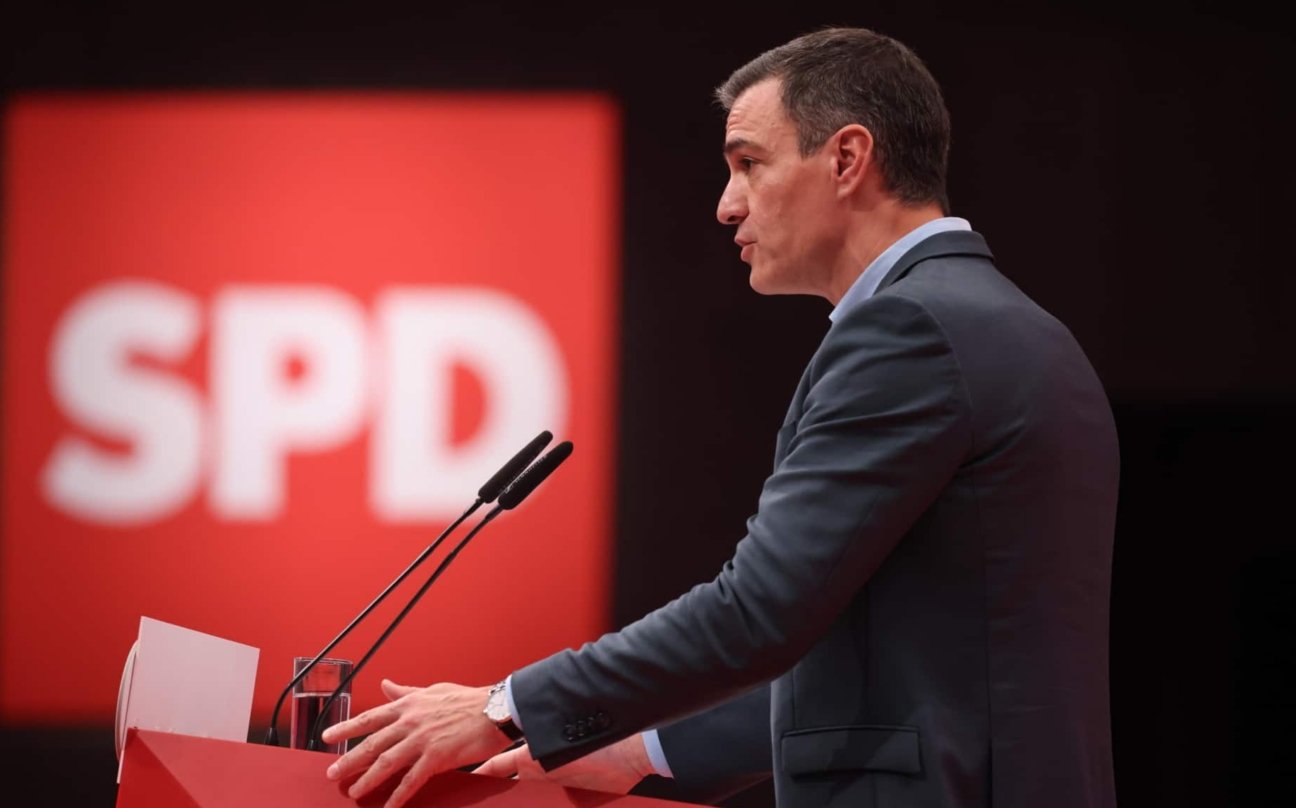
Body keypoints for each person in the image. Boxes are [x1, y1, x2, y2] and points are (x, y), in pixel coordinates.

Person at [320, 25, 1119, 808]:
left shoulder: (909, 333)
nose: (725, 207)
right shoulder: (1011, 327)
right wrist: (639, 751)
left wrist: (503, 708)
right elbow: (900, 658)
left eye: (749, 165)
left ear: (847, 159)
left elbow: (759, 611)